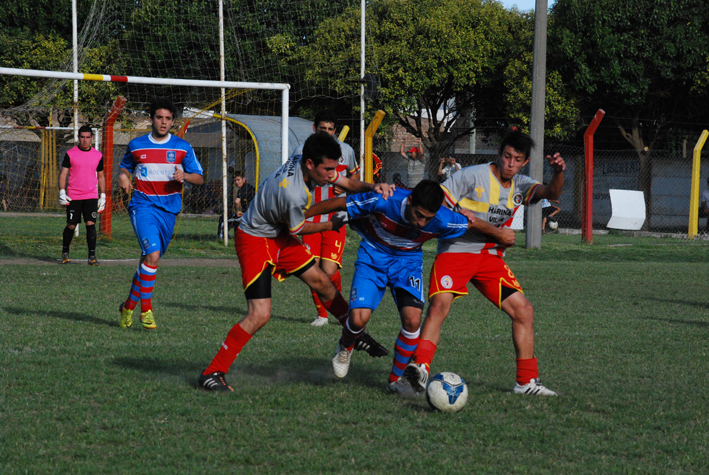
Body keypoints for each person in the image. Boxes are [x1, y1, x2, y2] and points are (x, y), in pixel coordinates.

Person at [197, 131, 394, 392]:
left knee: (322, 282)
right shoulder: (293, 194)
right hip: (255, 238)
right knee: (260, 314)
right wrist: (331, 224)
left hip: (276, 231)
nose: (331, 175)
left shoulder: (305, 154)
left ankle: (354, 334)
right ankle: (212, 373)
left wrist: (373, 186)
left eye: (333, 168)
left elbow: (342, 181)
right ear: (311, 165)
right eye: (327, 170)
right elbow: (298, 229)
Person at [404, 130, 565, 397]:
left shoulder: (521, 185)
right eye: (507, 156)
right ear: (500, 153)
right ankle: (419, 367)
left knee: (523, 311)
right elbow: (441, 205)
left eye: (517, 159)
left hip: (490, 258)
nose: (510, 163)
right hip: (456, 251)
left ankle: (526, 382)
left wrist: (558, 172)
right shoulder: (471, 175)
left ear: (524, 162)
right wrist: (496, 232)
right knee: (439, 305)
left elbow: (551, 192)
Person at [304, 180, 477, 396]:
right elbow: (339, 203)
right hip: (372, 256)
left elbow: (472, 224)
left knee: (413, 320)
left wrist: (498, 234)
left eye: (428, 218)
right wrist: (301, 215)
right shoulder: (383, 200)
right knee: (358, 319)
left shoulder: (443, 218)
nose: (422, 222)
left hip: (408, 263)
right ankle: (345, 347)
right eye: (418, 215)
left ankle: (395, 381)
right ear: (410, 200)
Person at [117, 98, 204, 330]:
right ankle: (146, 310)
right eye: (159, 117)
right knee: (153, 256)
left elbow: (199, 177)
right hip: (142, 206)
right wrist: (124, 176)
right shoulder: (136, 145)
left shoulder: (182, 147)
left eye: (167, 118)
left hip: (169, 211)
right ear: (151, 119)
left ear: (173, 121)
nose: (163, 122)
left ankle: (127, 307)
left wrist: (184, 176)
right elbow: (125, 166)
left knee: (148, 260)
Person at [295, 111, 361, 327]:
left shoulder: (347, 151)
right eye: (322, 129)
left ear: (335, 131)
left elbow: (355, 175)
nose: (326, 133)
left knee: (329, 270)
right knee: (313, 269)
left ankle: (338, 305)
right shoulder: (300, 151)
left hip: (336, 218)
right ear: (314, 129)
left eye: (330, 129)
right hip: (311, 218)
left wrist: (346, 187)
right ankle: (322, 314)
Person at [58, 125, 106, 265]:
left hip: (91, 195)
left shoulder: (98, 155)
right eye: (82, 137)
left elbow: (101, 177)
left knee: (90, 225)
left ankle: (92, 257)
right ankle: (65, 251)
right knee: (71, 225)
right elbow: (63, 174)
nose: (85, 140)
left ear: (92, 138)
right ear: (78, 138)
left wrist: (102, 196)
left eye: (87, 137)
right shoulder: (70, 153)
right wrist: (62, 191)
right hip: (74, 196)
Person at [217, 170, 255, 239]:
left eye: (238, 180)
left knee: (223, 219)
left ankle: (221, 238)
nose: (236, 182)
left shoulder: (243, 189)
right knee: (233, 219)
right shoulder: (251, 187)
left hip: (246, 215)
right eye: (235, 180)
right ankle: (236, 236)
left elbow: (237, 201)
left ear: (243, 179)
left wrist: (238, 210)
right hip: (251, 214)